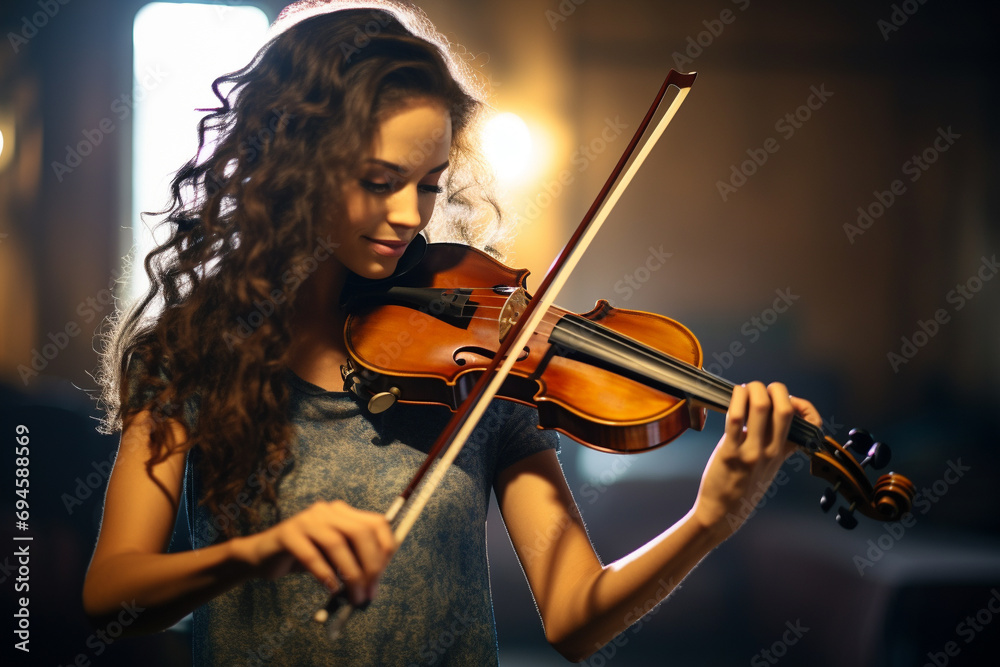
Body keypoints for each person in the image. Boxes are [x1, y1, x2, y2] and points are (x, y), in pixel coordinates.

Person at [82, 1, 822, 665]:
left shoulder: (482, 364)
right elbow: (111, 591)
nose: (410, 213)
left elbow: (574, 618)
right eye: (379, 180)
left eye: (429, 183)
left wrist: (709, 519)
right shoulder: (190, 353)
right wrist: (255, 553)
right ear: (292, 162)